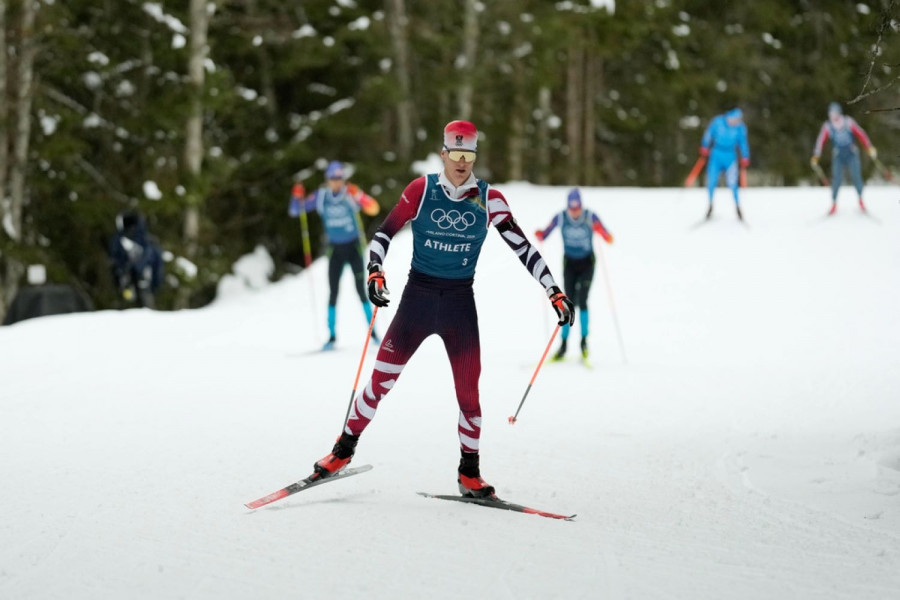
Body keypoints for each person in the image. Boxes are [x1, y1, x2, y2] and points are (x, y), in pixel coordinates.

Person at [310, 120, 574, 498]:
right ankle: (342, 451)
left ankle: (470, 473)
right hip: (417, 300)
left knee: (469, 396)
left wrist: (553, 290)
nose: (462, 162)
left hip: (458, 305)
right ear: (444, 154)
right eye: (456, 154)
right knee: (379, 383)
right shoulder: (421, 190)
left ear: (474, 157)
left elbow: (524, 249)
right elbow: (383, 233)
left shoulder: (489, 199)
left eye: (469, 155)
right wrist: (375, 271)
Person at [289, 161, 381, 350]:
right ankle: (331, 337)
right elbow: (295, 210)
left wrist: (359, 195)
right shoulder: (322, 196)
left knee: (361, 291)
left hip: (354, 249)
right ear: (327, 179)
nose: (336, 182)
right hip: (335, 251)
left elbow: (373, 208)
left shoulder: (350, 193)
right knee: (333, 292)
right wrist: (296, 196)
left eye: (339, 178)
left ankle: (374, 333)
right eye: (333, 178)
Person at [535, 188, 613, 362]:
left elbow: (610, 238)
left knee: (583, 300)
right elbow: (545, 234)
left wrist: (600, 231)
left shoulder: (590, 216)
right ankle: (563, 345)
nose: (575, 212)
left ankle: (584, 342)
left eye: (577, 208)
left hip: (587, 264)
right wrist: (540, 234)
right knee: (567, 302)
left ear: (581, 206)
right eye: (572, 208)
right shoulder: (561, 217)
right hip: (569, 264)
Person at [811, 102, 877, 215]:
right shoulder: (828, 126)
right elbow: (821, 141)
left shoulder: (848, 121)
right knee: (836, 179)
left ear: (839, 113)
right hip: (838, 156)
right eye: (830, 113)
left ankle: (861, 200)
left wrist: (869, 147)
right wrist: (816, 155)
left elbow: (861, 134)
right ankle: (834, 203)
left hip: (852, 153)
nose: (832, 115)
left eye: (834, 113)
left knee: (856, 177)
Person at [698, 107, 751, 221]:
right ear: (728, 117)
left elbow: (743, 142)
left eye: (738, 120)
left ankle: (737, 207)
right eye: (734, 119)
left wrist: (745, 156)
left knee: (733, 182)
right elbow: (709, 133)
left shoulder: (740, 127)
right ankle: (710, 205)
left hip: (730, 156)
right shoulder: (718, 121)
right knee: (711, 181)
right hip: (716, 154)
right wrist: (705, 145)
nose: (735, 122)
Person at [108, 209, 164, 309]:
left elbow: (156, 263)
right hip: (130, 282)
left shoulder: (144, 240)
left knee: (139, 307)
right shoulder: (143, 239)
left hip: (139, 282)